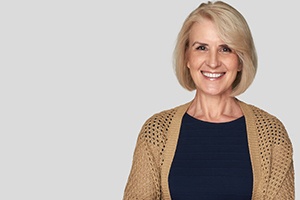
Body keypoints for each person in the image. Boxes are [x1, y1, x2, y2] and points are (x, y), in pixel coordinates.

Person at [123, 1, 294, 199]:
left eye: (226, 49)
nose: (213, 62)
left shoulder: (272, 134)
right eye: (202, 47)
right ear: (187, 56)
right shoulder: (157, 131)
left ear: (240, 60)